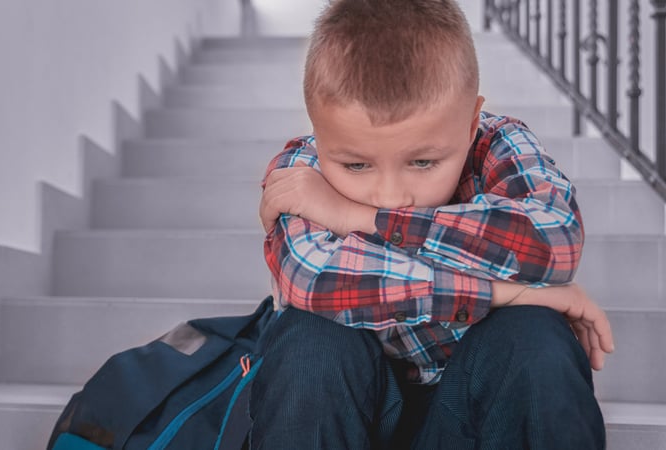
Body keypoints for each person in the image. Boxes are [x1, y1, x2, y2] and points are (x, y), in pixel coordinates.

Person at [251, 0, 615, 448]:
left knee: (534, 336)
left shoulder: (498, 143)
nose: (391, 195)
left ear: (469, 127)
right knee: (311, 340)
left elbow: (553, 240)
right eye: (356, 165)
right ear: (318, 131)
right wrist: (514, 291)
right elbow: (312, 280)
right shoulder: (300, 168)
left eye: (422, 161)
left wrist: (358, 218)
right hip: (343, 405)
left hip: (474, 402)